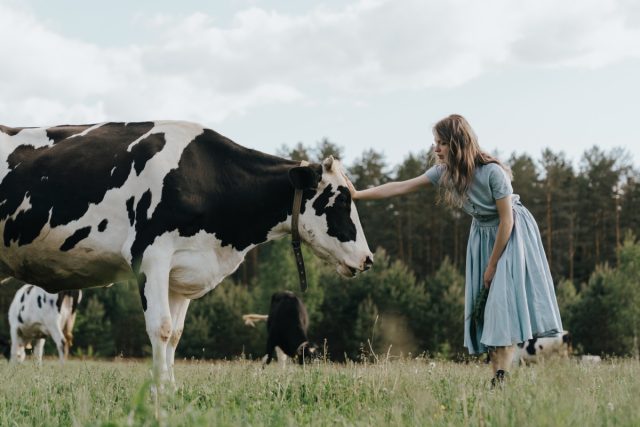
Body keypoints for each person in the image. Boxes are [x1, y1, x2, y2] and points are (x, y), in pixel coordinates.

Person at [346, 114, 563, 386]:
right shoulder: (444, 173)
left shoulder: (493, 172)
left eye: (442, 143)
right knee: (486, 309)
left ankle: (501, 376)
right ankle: (498, 376)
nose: (436, 149)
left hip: (511, 235)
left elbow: (507, 220)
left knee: (501, 305)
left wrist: (493, 264)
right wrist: (357, 195)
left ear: (458, 143)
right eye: (435, 143)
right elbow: (401, 187)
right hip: (481, 235)